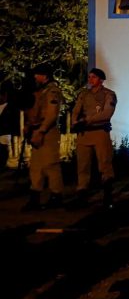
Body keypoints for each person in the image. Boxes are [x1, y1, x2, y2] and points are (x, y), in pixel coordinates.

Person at [71, 68, 117, 209]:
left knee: (104, 165)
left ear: (101, 80)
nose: (91, 80)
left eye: (94, 77)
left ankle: (108, 197)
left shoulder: (109, 94)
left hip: (99, 133)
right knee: (82, 166)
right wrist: (75, 122)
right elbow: (76, 111)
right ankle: (81, 196)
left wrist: (88, 120)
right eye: (89, 77)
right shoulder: (84, 94)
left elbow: (106, 113)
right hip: (84, 134)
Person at [22, 64, 65, 210]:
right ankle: (35, 197)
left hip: (48, 131)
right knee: (36, 166)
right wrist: (28, 126)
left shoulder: (52, 91)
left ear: (45, 75)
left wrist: (41, 130)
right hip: (37, 130)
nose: (35, 77)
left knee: (51, 164)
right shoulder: (39, 91)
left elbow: (52, 114)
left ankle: (56, 196)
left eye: (37, 74)